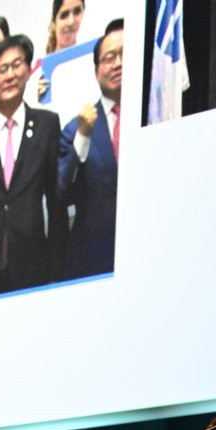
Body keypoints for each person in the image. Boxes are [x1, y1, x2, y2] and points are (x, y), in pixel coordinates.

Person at [0, 35, 67, 299]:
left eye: (16, 65)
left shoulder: (46, 125)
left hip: (33, 270)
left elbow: (57, 201)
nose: (9, 75)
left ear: (28, 71)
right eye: (1, 70)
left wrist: (57, 270)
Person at [58, 18, 122, 279]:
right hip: (94, 264)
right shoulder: (75, 128)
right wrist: (83, 137)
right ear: (97, 71)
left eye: (124, 55)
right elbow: (63, 193)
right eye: (109, 58)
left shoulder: (156, 114)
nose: (118, 63)